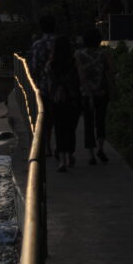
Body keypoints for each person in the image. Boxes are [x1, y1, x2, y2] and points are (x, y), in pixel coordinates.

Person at [75, 28, 115, 165]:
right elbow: (111, 70)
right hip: (101, 92)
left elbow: (79, 74)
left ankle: (91, 154)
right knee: (101, 121)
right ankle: (101, 148)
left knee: (88, 123)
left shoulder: (79, 54)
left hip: (86, 93)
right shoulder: (104, 54)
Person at [48, 35, 81, 172]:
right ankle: (69, 156)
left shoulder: (51, 63)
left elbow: (48, 81)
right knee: (70, 129)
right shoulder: (74, 62)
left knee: (59, 129)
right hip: (73, 99)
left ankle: (62, 161)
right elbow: (79, 78)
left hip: (57, 100)